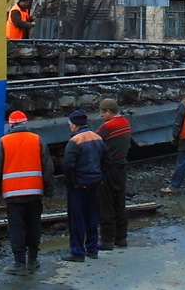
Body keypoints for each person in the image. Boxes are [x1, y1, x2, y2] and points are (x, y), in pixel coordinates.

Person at [0, 110, 55, 276]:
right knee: (34, 226)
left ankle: (19, 264)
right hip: (34, 193)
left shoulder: (3, 142)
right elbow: (48, 169)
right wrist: (49, 193)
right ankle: (32, 261)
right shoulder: (36, 140)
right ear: (25, 123)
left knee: (16, 229)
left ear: (10, 125)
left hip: (13, 195)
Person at [62, 108, 109, 262]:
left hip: (79, 185)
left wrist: (72, 183)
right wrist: (100, 177)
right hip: (94, 183)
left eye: (70, 123)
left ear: (75, 125)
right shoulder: (97, 137)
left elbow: (69, 166)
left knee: (77, 218)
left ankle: (77, 252)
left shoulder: (74, 141)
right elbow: (106, 160)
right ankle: (93, 248)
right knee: (92, 216)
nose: (69, 126)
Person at [95, 98, 131, 250]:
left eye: (102, 113)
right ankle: (121, 238)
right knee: (119, 202)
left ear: (108, 112)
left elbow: (95, 141)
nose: (101, 116)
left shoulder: (107, 127)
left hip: (109, 168)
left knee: (106, 203)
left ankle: (107, 240)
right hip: (122, 166)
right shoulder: (126, 123)